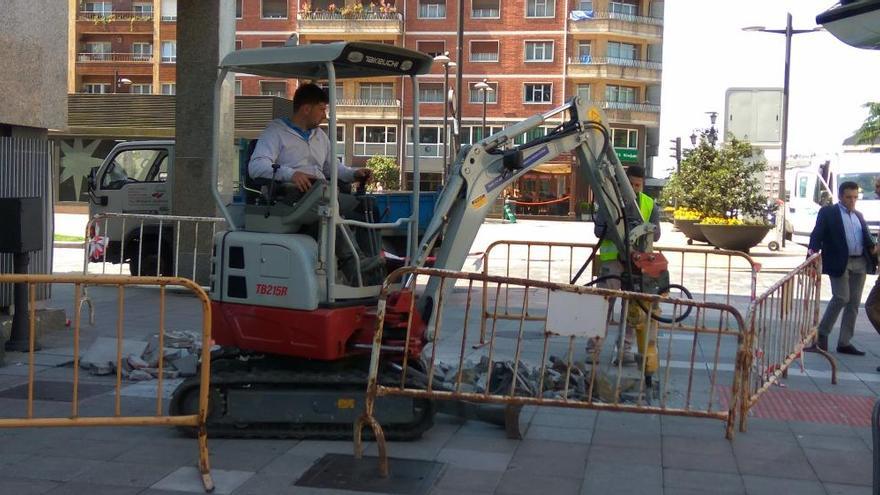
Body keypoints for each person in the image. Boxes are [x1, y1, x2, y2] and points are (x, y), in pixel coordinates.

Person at [248, 83, 379, 284]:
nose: (324, 115)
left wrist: (354, 174)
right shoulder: (275, 132)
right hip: (291, 196)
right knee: (327, 207)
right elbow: (256, 167)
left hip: (321, 192)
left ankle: (373, 265)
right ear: (306, 108)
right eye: (321, 109)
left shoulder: (320, 136)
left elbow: (333, 169)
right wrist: (290, 174)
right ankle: (354, 263)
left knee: (368, 205)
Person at [592, 165, 661, 363]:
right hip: (613, 261)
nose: (634, 188)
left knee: (633, 309)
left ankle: (625, 351)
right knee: (603, 305)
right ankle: (593, 350)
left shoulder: (649, 204)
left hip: (637, 262)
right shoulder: (610, 202)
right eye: (630, 184)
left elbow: (656, 234)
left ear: (643, 184)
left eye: (637, 184)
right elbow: (598, 231)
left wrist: (640, 231)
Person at [806, 181, 877, 355]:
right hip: (839, 262)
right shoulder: (828, 213)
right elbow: (817, 234)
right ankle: (821, 334)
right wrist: (811, 257)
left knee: (853, 302)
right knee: (841, 297)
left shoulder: (858, 215)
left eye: (855, 197)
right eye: (848, 197)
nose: (852, 201)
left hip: (859, 261)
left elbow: (867, 239)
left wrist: (874, 252)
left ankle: (844, 342)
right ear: (840, 196)